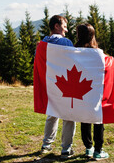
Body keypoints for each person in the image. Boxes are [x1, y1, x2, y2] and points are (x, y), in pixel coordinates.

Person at [40, 15, 76, 159]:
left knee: (52, 114)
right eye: (65, 26)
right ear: (56, 26)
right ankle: (66, 149)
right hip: (65, 83)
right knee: (68, 116)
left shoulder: (43, 43)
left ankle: (46, 145)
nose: (66, 30)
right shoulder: (66, 42)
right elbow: (74, 61)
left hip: (50, 84)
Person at [74, 23, 109, 160]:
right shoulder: (98, 53)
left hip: (80, 90)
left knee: (85, 118)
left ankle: (89, 148)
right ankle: (98, 151)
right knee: (98, 120)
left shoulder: (73, 52)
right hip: (96, 89)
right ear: (92, 35)